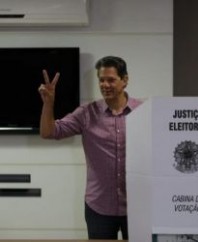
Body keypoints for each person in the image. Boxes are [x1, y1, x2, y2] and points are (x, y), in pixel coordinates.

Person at [38, 56, 142, 240]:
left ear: (125, 80)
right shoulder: (86, 113)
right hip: (99, 207)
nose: (105, 85)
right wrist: (48, 103)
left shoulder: (144, 112)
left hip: (137, 207)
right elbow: (49, 132)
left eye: (111, 79)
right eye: (101, 80)